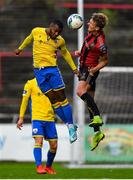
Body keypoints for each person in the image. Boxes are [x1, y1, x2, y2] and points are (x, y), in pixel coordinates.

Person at [15, 20, 79, 144]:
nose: (56, 34)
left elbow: (65, 53)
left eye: (58, 32)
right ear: (50, 27)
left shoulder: (60, 40)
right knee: (54, 101)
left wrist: (74, 69)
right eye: (55, 31)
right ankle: (68, 125)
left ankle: (71, 126)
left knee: (62, 98)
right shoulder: (36, 31)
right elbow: (29, 39)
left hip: (52, 70)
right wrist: (20, 48)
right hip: (39, 72)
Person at [75, 13, 109, 151]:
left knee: (80, 91)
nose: (88, 23)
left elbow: (105, 60)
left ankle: (98, 117)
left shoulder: (101, 43)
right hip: (84, 67)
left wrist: (94, 69)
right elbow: (88, 50)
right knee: (89, 100)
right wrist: (80, 53)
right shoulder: (91, 34)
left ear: (97, 27)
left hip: (89, 70)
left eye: (91, 22)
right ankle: (97, 132)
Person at [17, 78, 58, 174]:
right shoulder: (30, 83)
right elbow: (25, 100)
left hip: (50, 119)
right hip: (37, 118)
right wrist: (21, 117)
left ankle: (48, 167)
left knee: (54, 146)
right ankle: (39, 166)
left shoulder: (51, 83)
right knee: (39, 141)